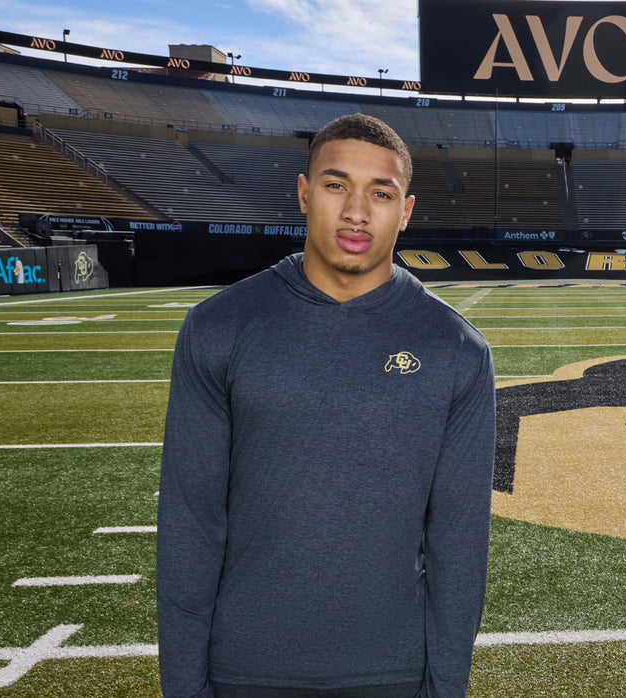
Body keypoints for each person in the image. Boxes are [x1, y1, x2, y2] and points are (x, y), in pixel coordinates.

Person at [158, 114, 495, 698]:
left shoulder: (457, 349)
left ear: (406, 211)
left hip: (392, 674)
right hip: (241, 671)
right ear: (304, 192)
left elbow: (459, 544)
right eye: (337, 185)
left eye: (380, 193)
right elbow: (190, 522)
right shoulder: (218, 327)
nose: (357, 212)